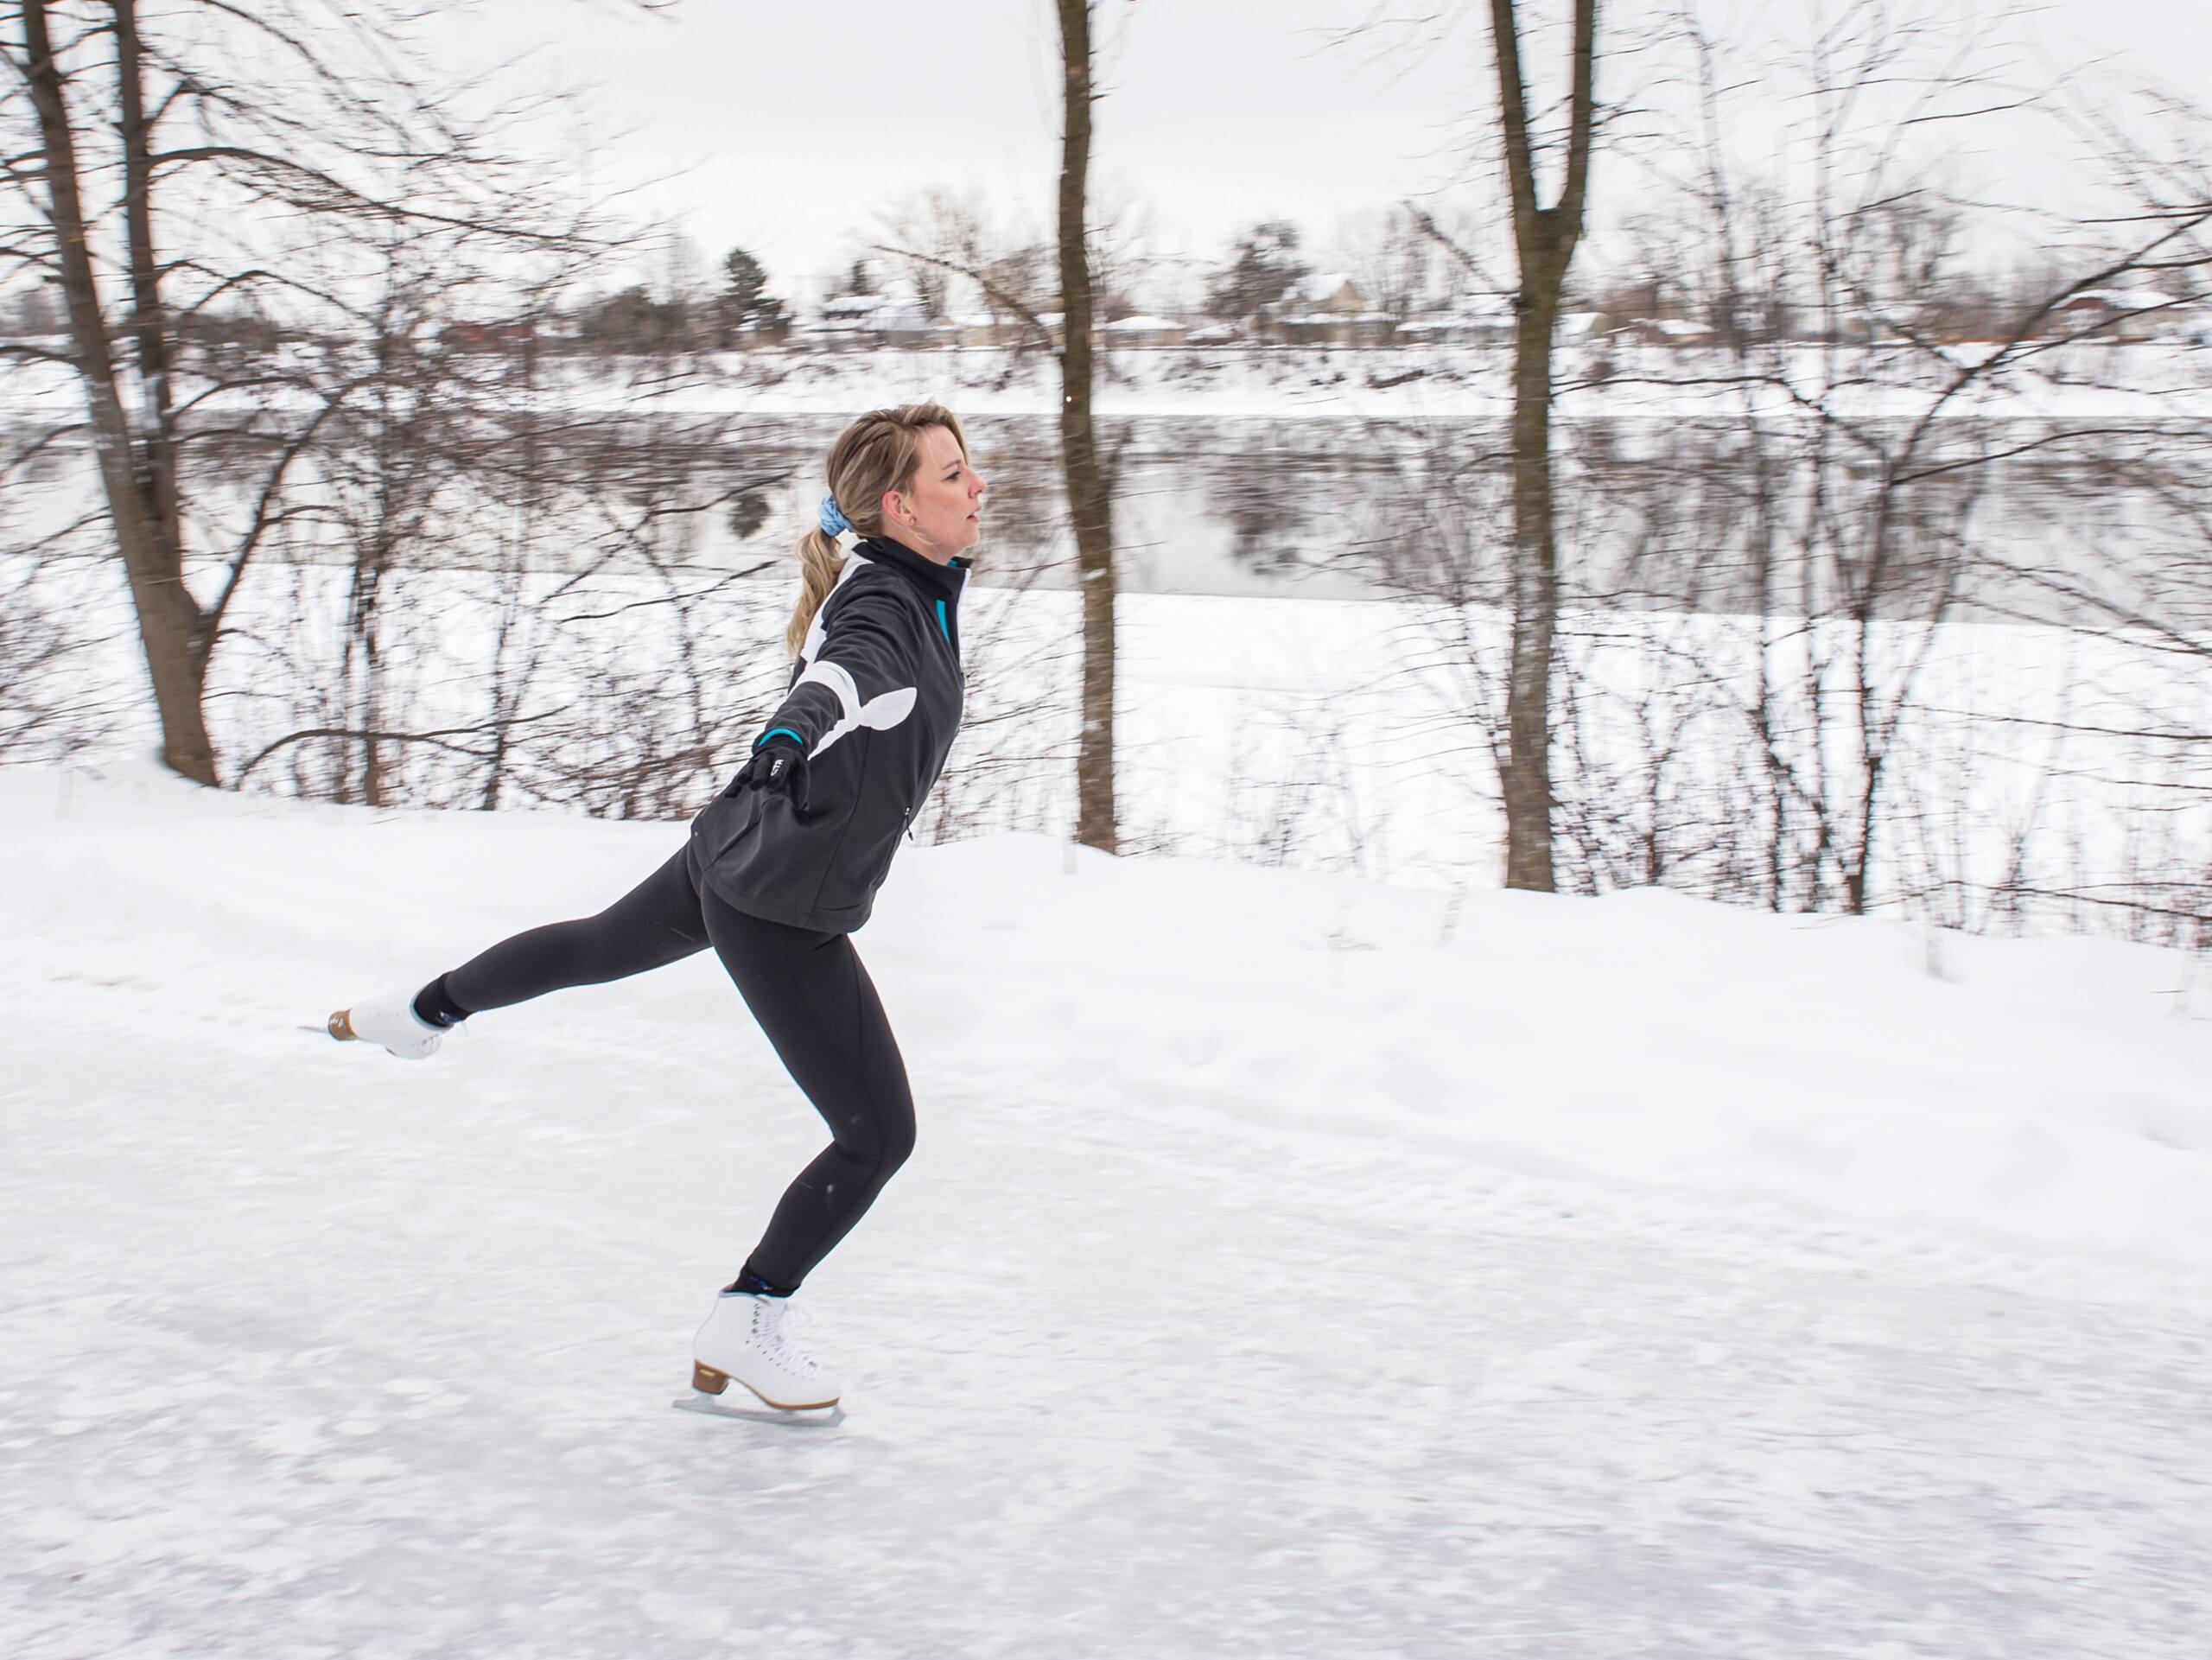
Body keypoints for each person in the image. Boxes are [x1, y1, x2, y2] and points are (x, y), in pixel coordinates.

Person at [326, 403, 986, 1414]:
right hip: (778, 903)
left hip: (736, 851)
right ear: (899, 507)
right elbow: (840, 677)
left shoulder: (897, 580)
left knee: (594, 945)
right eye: (952, 474)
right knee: (876, 1134)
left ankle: (416, 1013)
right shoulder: (887, 604)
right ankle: (749, 1317)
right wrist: (787, 735)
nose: (976, 484)